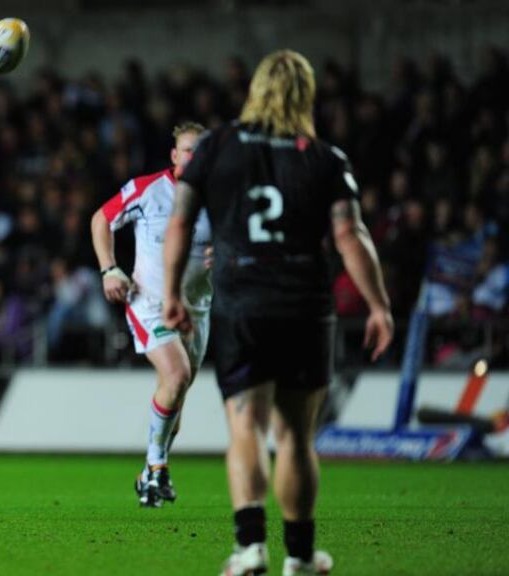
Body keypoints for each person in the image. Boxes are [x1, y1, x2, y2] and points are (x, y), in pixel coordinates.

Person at [161, 50, 393, 575]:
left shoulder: (217, 145)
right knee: (294, 436)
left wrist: (172, 290)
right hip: (304, 305)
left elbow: (179, 222)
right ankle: (302, 556)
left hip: (242, 299)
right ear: (306, 95)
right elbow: (348, 235)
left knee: (245, 426)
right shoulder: (326, 158)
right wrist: (378, 305)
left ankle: (249, 550)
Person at [90, 122, 212, 508]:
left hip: (198, 309)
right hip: (149, 302)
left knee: (176, 395)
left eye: (199, 151)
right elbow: (101, 219)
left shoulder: (223, 199)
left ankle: (149, 472)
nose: (192, 157)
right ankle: (158, 467)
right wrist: (109, 268)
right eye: (186, 150)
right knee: (176, 376)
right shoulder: (149, 190)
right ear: (174, 156)